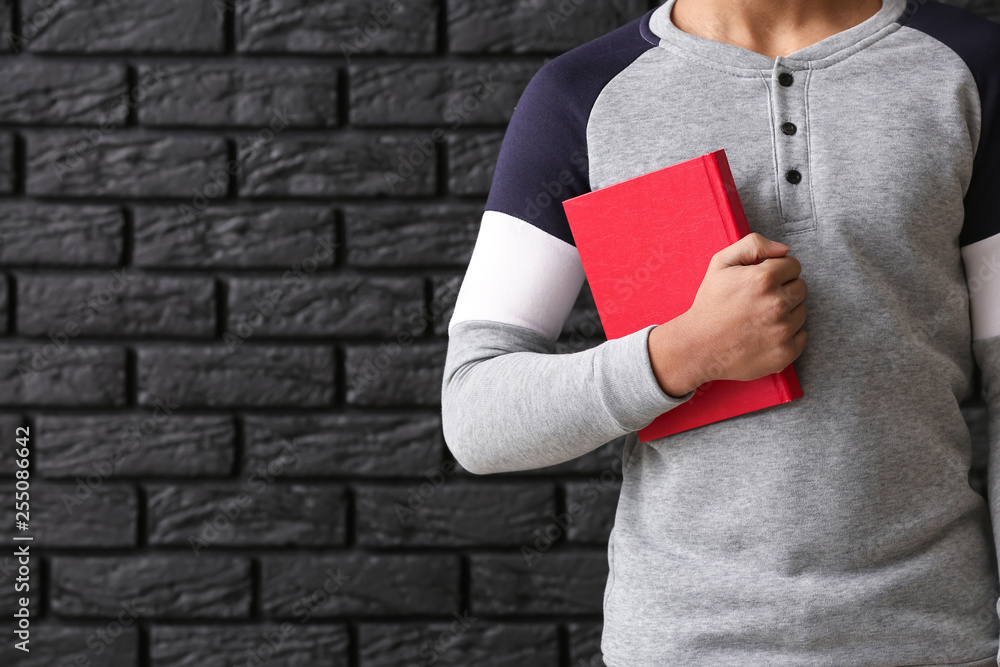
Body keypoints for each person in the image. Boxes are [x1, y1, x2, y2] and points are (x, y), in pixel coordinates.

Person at [440, 0, 1000, 663]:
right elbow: (476, 409)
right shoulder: (584, 94)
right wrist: (680, 355)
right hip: (683, 643)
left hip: (932, 639)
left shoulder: (970, 67)